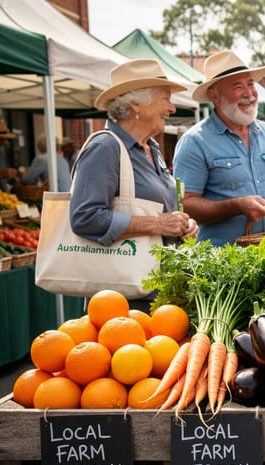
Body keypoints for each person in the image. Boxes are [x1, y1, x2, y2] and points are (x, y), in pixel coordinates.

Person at [69, 59, 199, 312]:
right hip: (121, 303)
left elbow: (164, 210)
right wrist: (157, 223)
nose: (172, 108)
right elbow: (84, 217)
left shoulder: (151, 148)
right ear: (136, 104)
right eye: (166, 98)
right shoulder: (104, 148)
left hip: (160, 294)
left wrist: (183, 226)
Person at [173, 50, 265, 246]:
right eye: (237, 86)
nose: (249, 93)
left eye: (250, 84)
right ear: (215, 96)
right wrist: (236, 206)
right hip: (223, 264)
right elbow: (184, 205)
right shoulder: (195, 141)